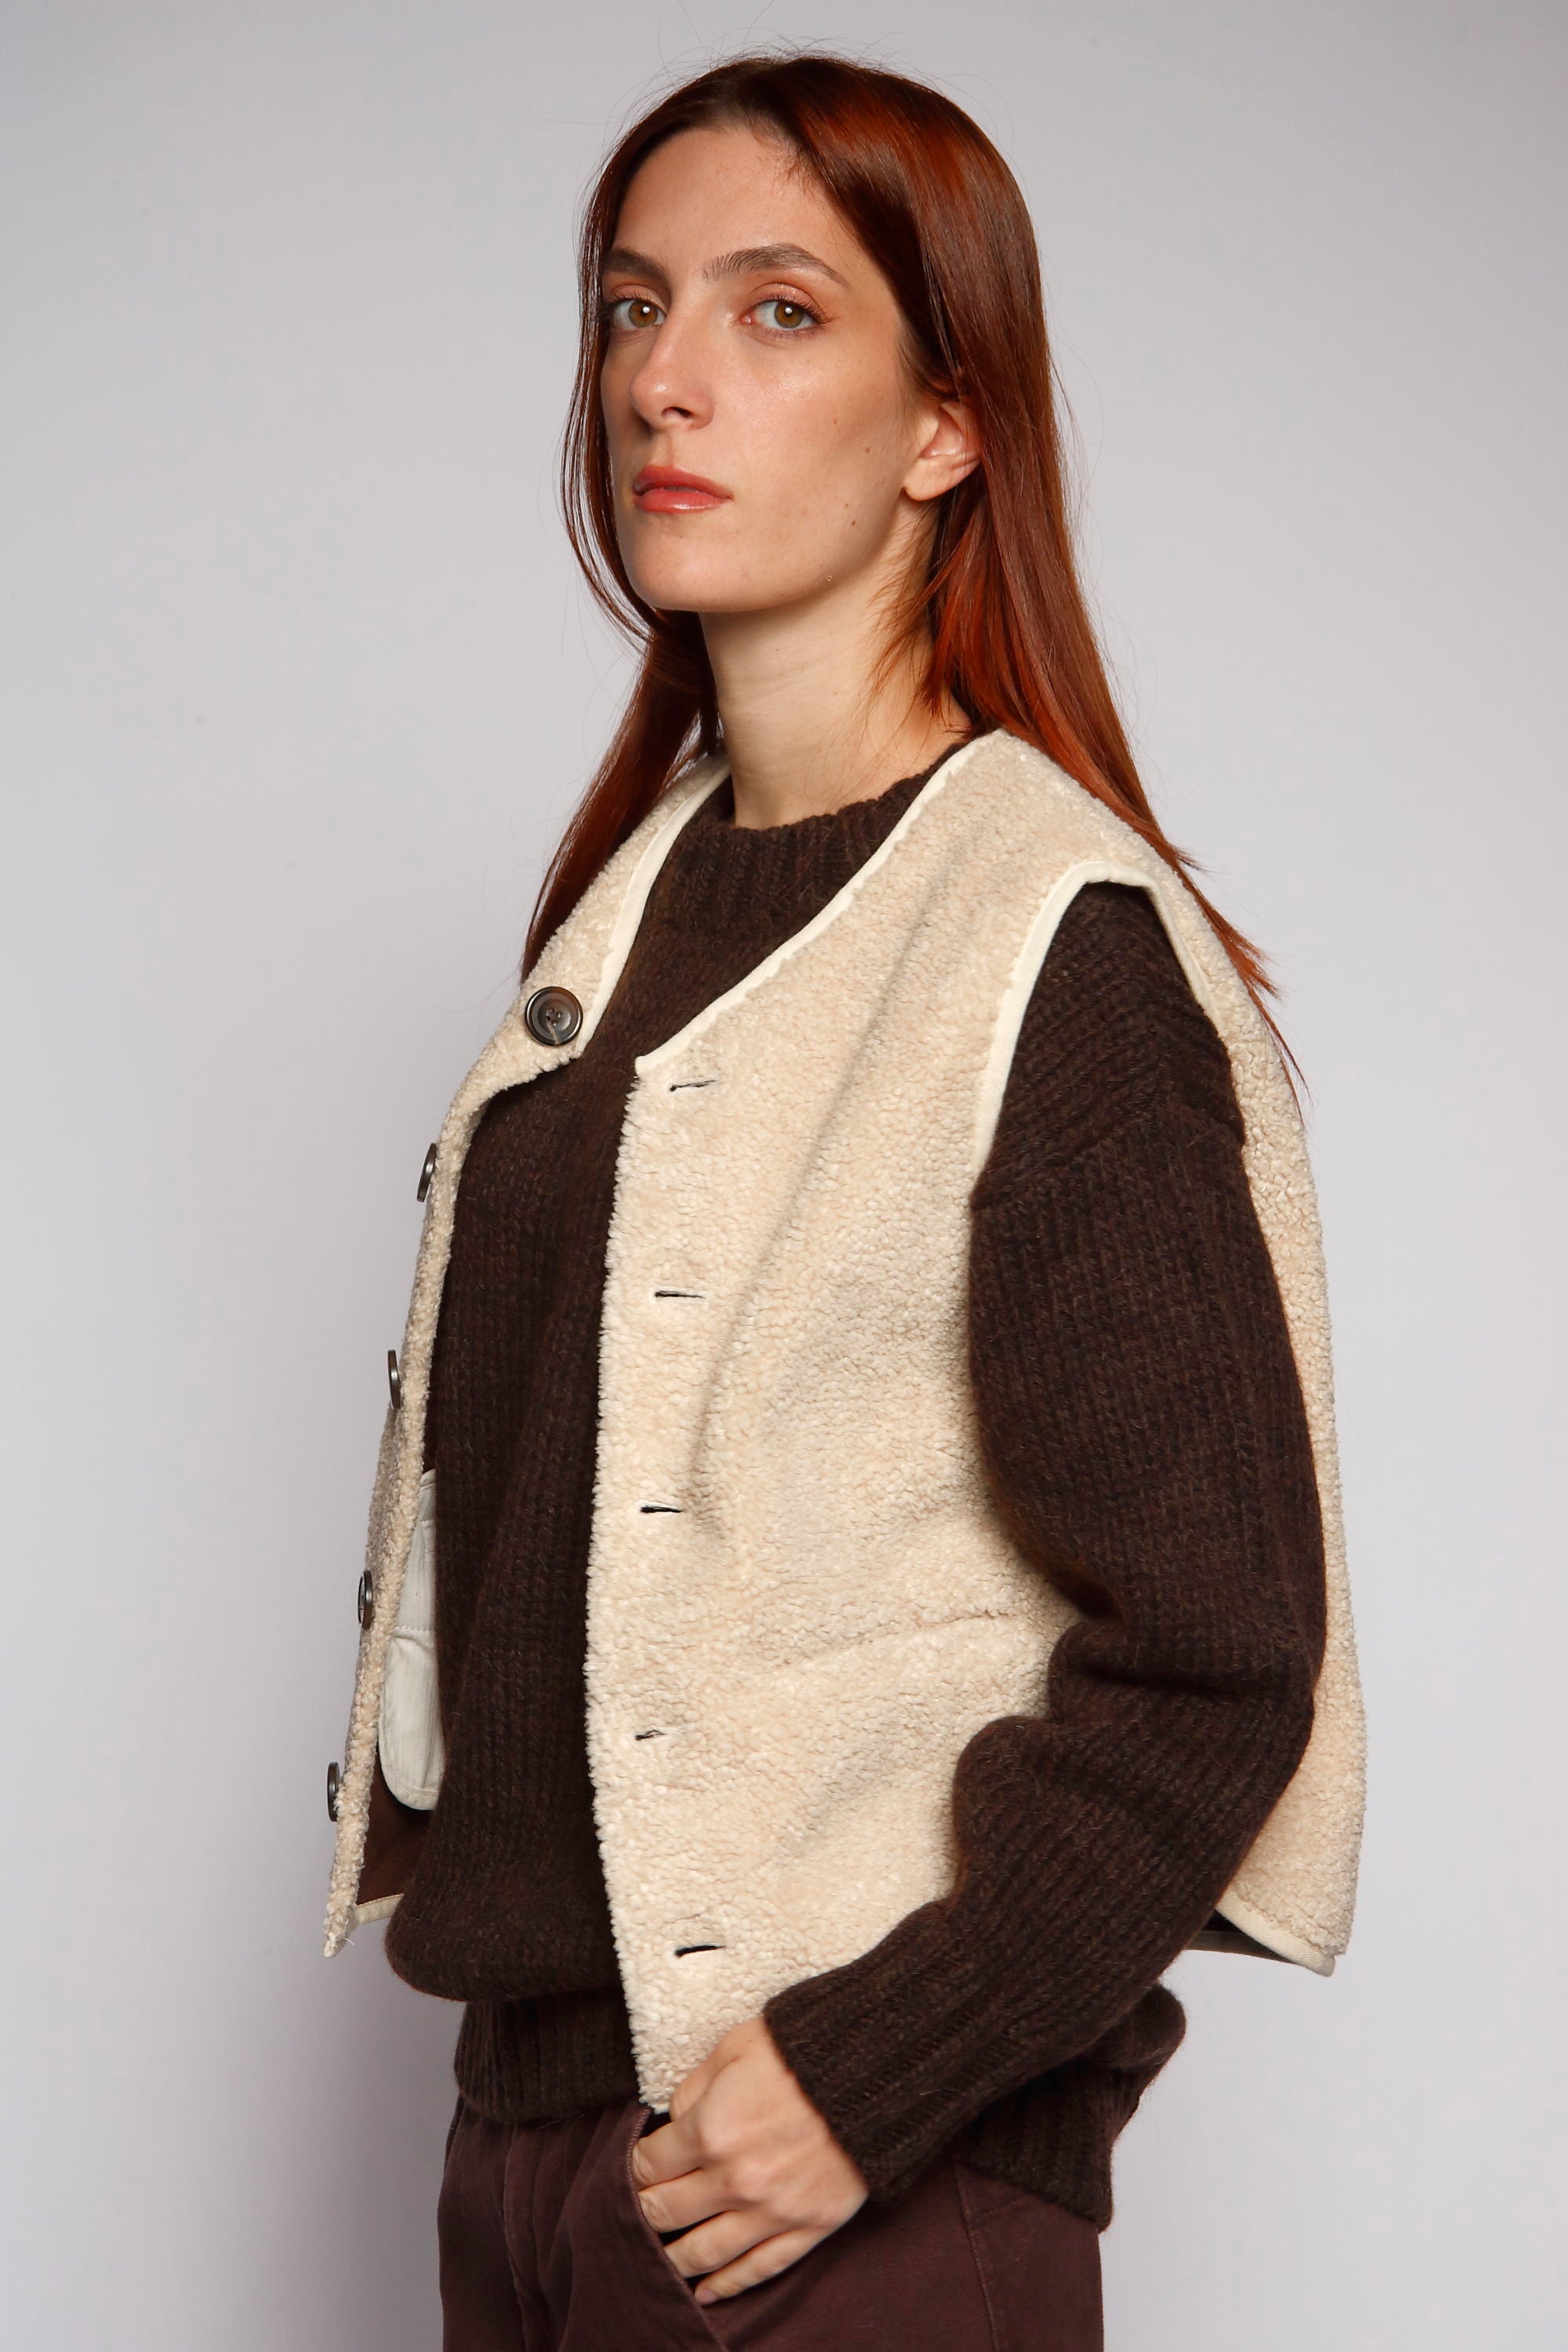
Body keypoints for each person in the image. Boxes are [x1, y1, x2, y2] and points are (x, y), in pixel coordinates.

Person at [321, 52, 1365, 2350]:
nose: (663, 379)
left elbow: (1221, 1656)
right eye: (633, 306)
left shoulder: (1047, 945)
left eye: (777, 311)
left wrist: (879, 2071)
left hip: (841, 2209)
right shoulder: (616, 932)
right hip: (528, 2162)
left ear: (945, 425)